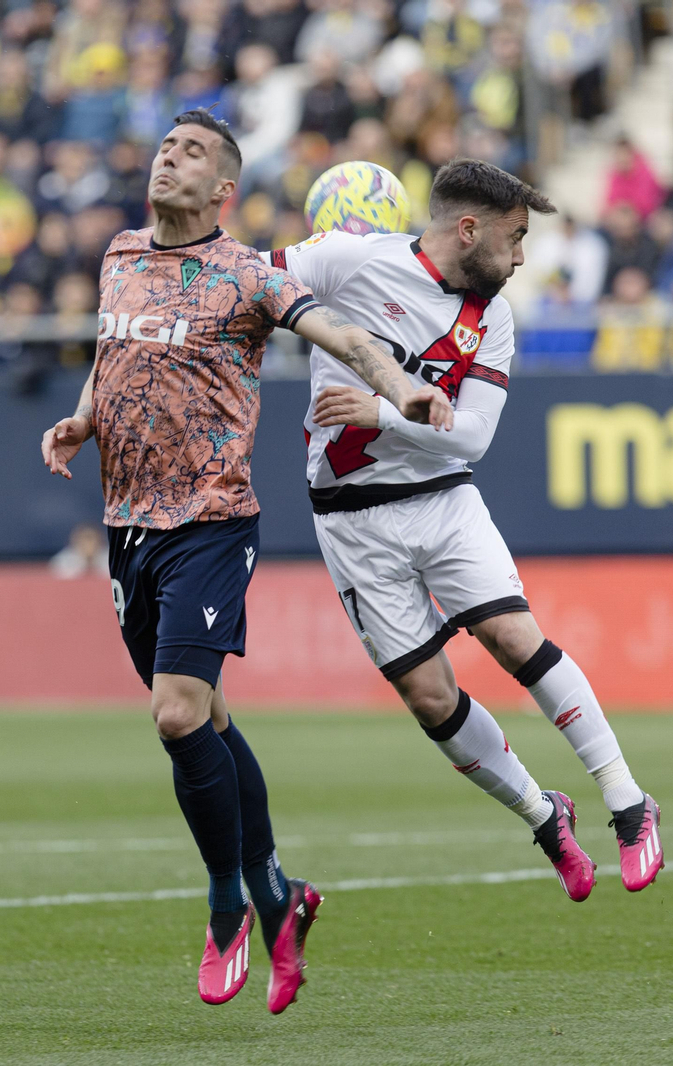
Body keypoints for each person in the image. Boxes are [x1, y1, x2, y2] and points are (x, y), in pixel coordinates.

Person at [39, 110, 451, 1012]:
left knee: (176, 715)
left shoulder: (249, 276)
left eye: (189, 153)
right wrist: (85, 417)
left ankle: (226, 905)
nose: (168, 159)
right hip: (128, 526)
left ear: (223, 188)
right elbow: (114, 351)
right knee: (210, 720)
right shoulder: (119, 254)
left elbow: (343, 338)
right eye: (165, 147)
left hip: (212, 523)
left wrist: (404, 389)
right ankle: (278, 894)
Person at [264, 158, 665, 904]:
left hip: (443, 500)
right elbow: (246, 279)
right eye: (516, 240)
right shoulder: (351, 260)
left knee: (513, 637)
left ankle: (628, 801)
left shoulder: (494, 320)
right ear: (470, 229)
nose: (522, 259)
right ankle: (545, 817)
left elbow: (474, 437)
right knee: (428, 697)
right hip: (349, 519)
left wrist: (382, 412)